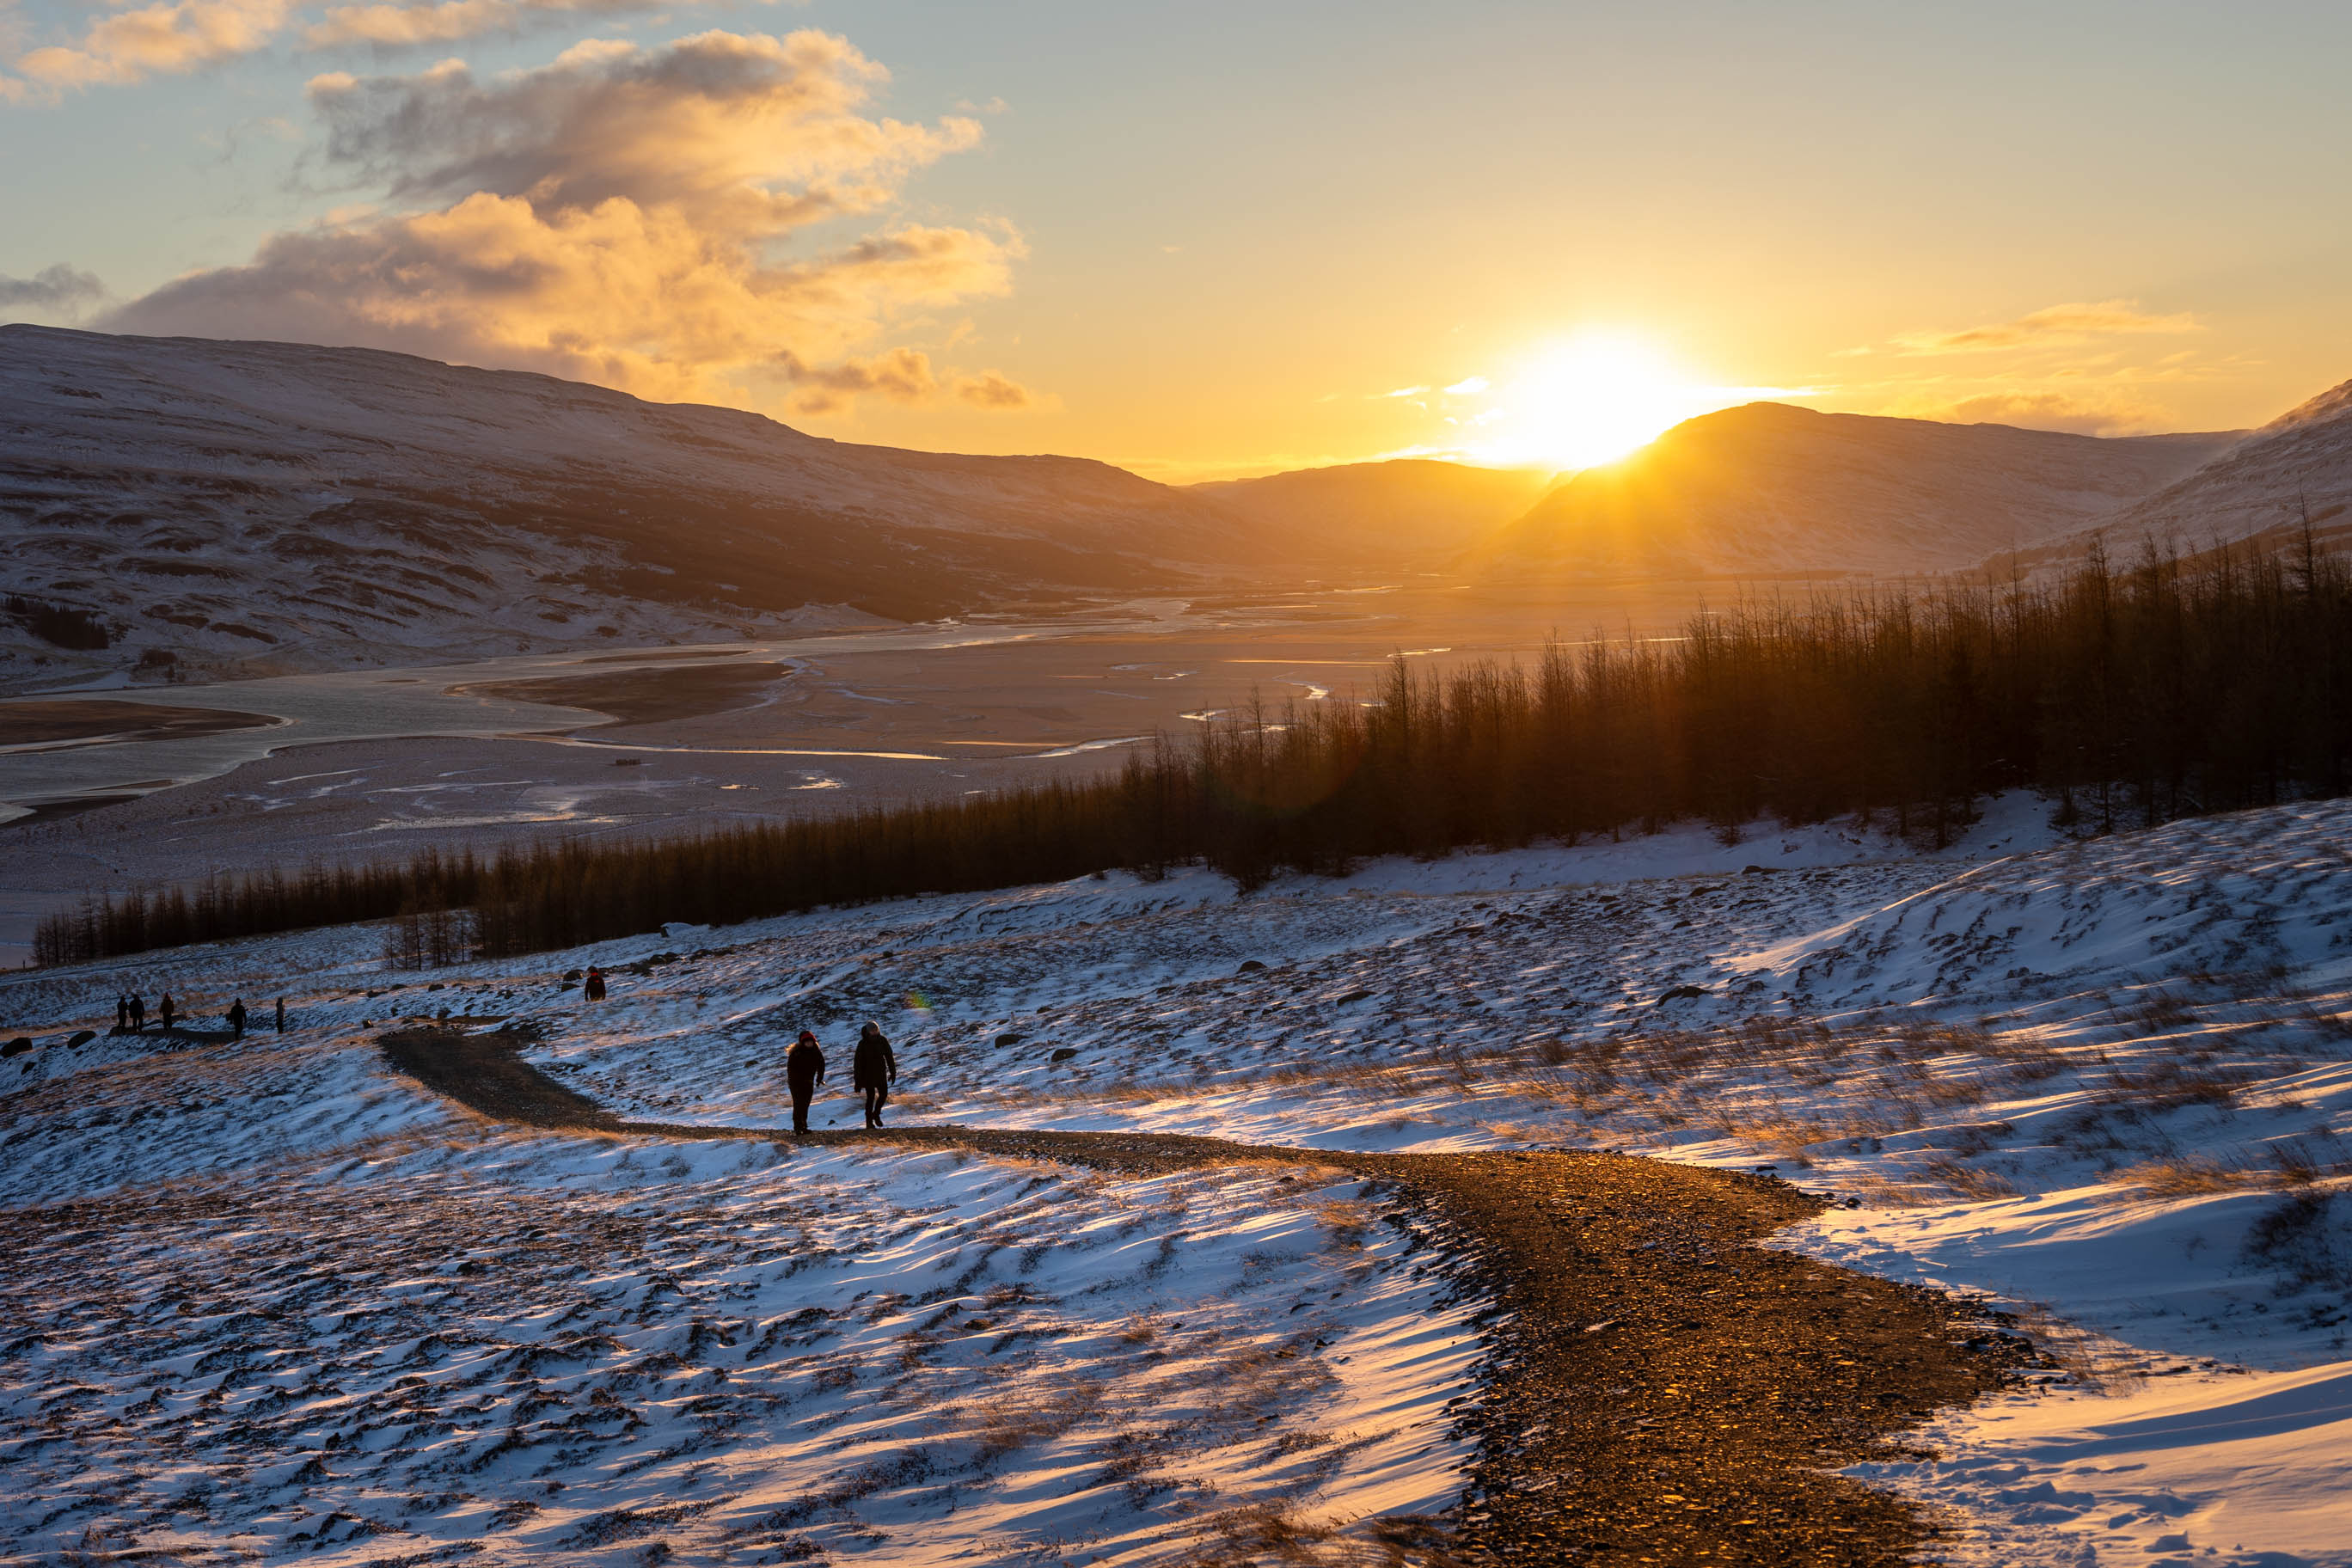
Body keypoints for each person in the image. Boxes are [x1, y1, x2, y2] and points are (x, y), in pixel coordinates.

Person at [852, 1020, 897, 1129]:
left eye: (876, 1030)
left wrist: (893, 1072)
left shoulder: (882, 1040)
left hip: (881, 1073)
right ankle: (869, 1122)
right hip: (867, 1075)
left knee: (883, 1095)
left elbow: (889, 1056)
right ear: (868, 1032)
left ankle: (876, 1114)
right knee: (870, 1098)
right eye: (872, 1030)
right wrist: (857, 1081)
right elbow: (857, 1063)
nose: (875, 1032)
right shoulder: (862, 1043)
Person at [785, 1029, 826, 1136]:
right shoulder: (796, 1053)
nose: (809, 1043)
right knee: (798, 1104)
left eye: (811, 1041)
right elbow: (791, 1069)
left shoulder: (816, 1052)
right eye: (807, 1041)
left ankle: (804, 1126)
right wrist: (797, 1081)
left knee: (806, 1104)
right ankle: (798, 1127)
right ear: (802, 1042)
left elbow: (821, 1065)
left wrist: (819, 1078)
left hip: (809, 1082)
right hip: (796, 1083)